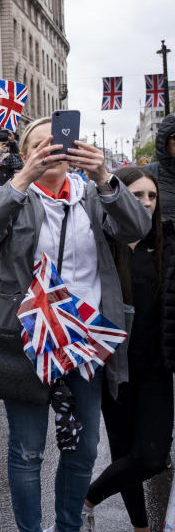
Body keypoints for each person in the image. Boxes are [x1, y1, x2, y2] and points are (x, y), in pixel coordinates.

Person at [0, 116, 151, 532]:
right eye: (39, 144)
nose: (52, 149)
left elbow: (137, 228)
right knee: (28, 449)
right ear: (27, 152)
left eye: (59, 141)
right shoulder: (15, 194)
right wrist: (24, 177)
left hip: (84, 338)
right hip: (29, 337)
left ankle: (67, 526)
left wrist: (104, 175)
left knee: (85, 448)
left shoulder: (91, 194)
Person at [82, 167, 174, 532]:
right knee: (123, 450)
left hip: (154, 366)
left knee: (152, 456)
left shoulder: (168, 239)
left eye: (152, 197)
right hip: (112, 364)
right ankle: (141, 527)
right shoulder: (102, 240)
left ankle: (86, 498)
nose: (146, 203)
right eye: (137, 195)